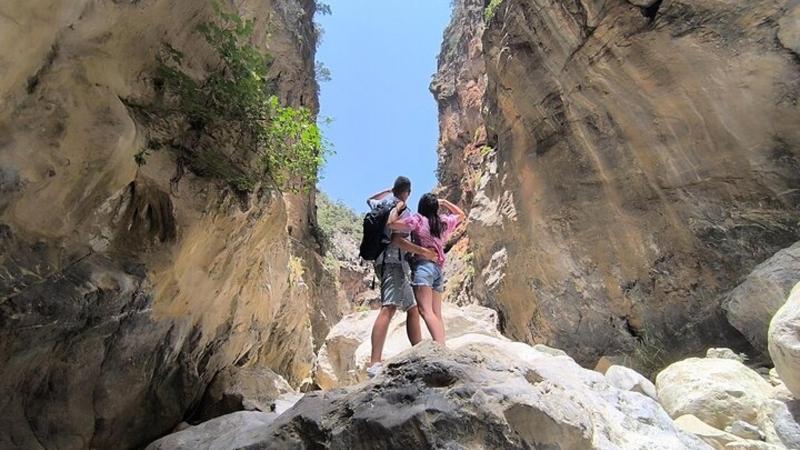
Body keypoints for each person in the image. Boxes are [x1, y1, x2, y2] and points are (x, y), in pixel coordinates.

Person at [366, 177, 437, 378]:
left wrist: (389, 191)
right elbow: (398, 241)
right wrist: (423, 251)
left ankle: (419, 353)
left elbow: (369, 199)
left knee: (412, 309)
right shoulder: (403, 211)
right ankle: (374, 363)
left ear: (395, 189)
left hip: (383, 262)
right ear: (408, 192)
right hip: (393, 263)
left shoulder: (381, 205)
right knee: (388, 307)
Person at [387, 193, 466, 344]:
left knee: (425, 311)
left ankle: (441, 346)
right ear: (435, 207)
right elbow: (461, 215)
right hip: (437, 271)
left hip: (423, 268)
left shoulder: (418, 219)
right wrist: (444, 202)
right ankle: (442, 344)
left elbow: (391, 224)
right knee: (436, 313)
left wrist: (396, 209)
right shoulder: (442, 222)